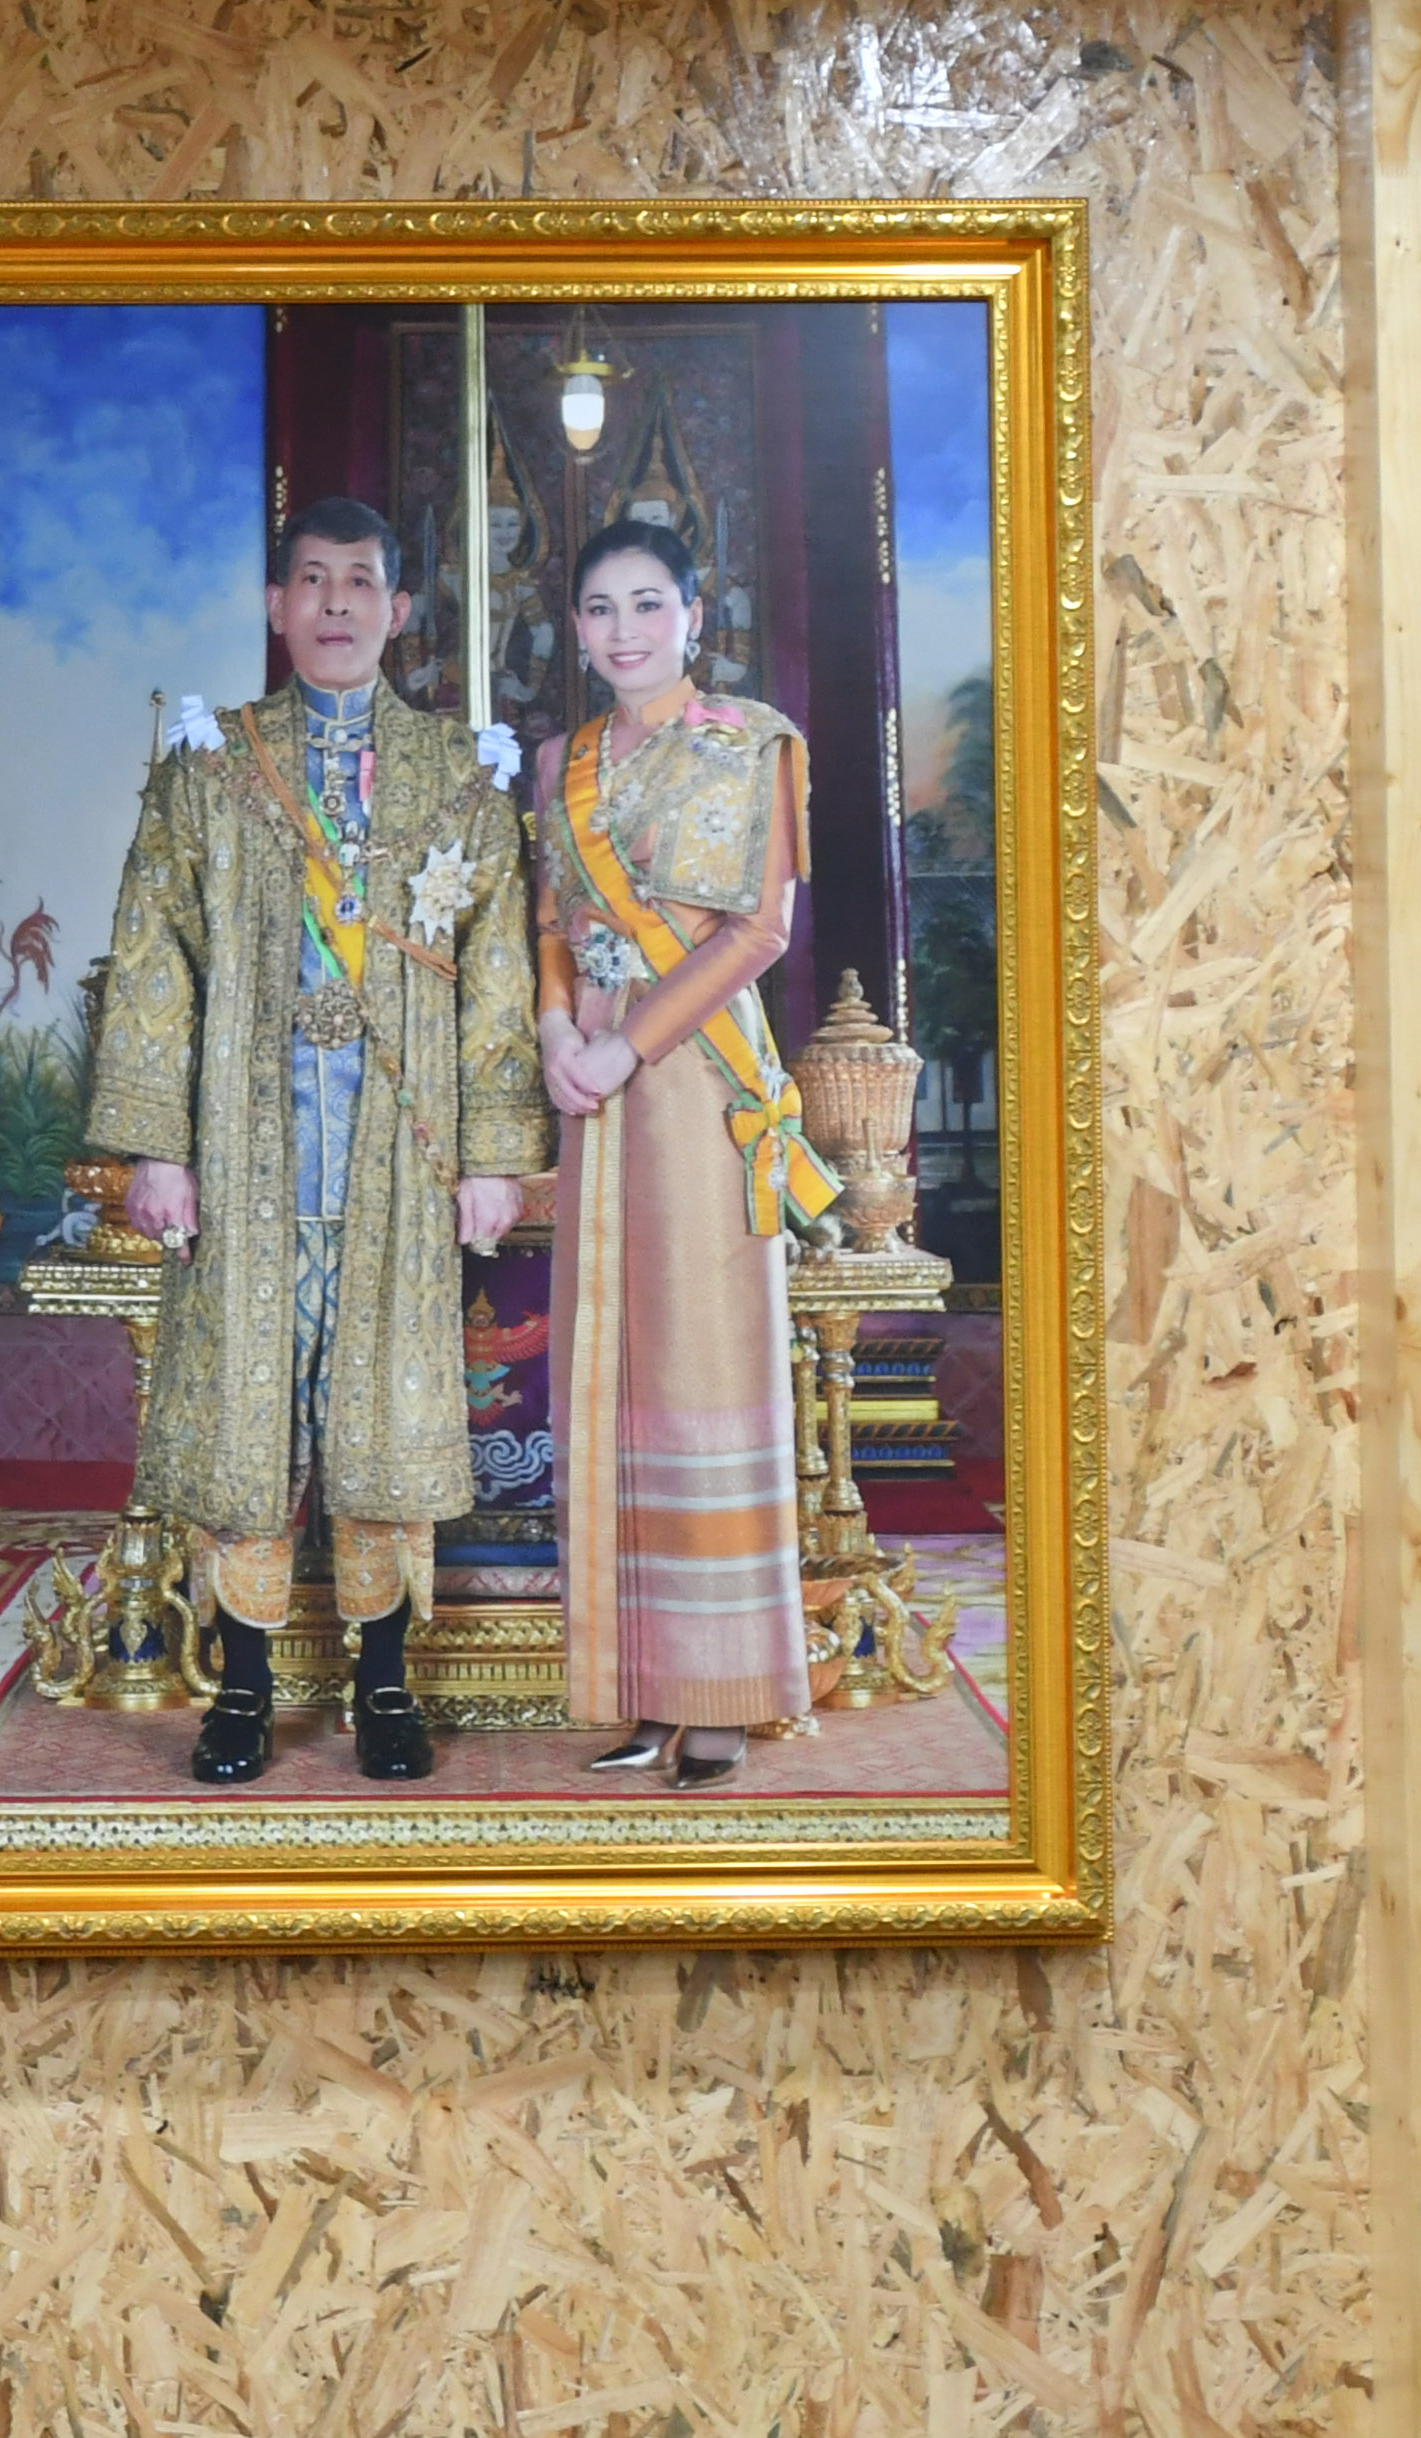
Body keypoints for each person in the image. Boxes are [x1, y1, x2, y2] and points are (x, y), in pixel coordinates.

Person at [82, 494, 548, 1783]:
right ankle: (242, 1691)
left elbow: (498, 974)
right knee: (246, 1420)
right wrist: (156, 1147)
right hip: (247, 1154)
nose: (335, 602)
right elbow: (154, 960)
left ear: (398, 610)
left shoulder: (460, 777)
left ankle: (383, 1685)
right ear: (275, 605)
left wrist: (493, 1155)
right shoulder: (209, 771)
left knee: (385, 1418)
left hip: (400, 1154)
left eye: (360, 581)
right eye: (312, 579)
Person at [533, 518, 830, 1789]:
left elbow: (758, 932)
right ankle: (640, 1686)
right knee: (611, 1373)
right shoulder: (558, 764)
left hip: (694, 1078)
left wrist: (626, 1047)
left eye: (648, 604)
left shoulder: (752, 743)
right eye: (601, 608)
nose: (624, 631)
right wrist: (558, 1030)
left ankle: (722, 1694)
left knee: (703, 1361)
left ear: (694, 617)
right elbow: (550, 924)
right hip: (590, 1086)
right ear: (575, 626)